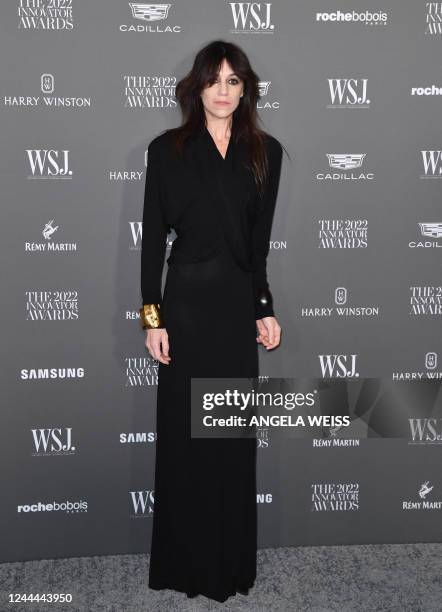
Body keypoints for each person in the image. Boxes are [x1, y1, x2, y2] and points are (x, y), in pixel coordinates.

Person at [139, 39, 285, 603]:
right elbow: (152, 242)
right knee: (185, 439)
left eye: (233, 80)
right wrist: (153, 318)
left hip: (231, 313)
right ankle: (184, 563)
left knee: (227, 435)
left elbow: (260, 246)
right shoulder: (166, 150)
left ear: (245, 88)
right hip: (186, 310)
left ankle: (229, 564)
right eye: (213, 80)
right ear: (196, 87)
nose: (223, 91)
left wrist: (263, 308)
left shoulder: (265, 152)